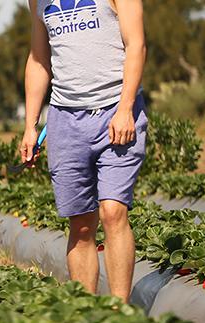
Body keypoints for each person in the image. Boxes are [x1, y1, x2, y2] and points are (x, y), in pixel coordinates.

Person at [22, 0, 147, 302]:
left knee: (113, 212)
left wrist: (125, 107)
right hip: (65, 119)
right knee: (80, 225)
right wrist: (30, 125)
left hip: (116, 112)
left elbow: (136, 45)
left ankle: (119, 313)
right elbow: (39, 59)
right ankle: (86, 315)